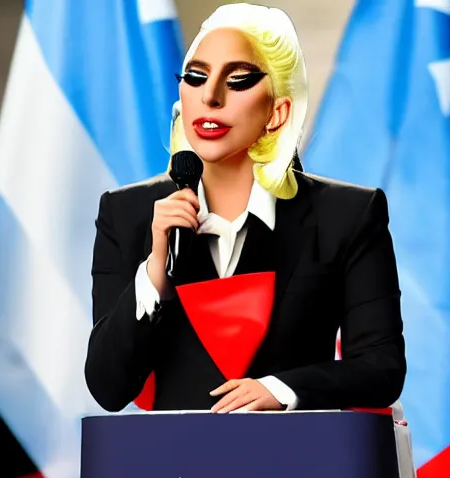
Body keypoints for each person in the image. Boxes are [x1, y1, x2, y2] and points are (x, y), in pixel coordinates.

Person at [85, 3, 406, 413]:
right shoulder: (126, 212)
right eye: (196, 77)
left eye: (237, 80)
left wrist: (283, 389)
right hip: (176, 472)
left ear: (277, 111)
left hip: (299, 466)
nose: (210, 96)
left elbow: (382, 368)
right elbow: (108, 389)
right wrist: (153, 275)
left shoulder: (348, 214)